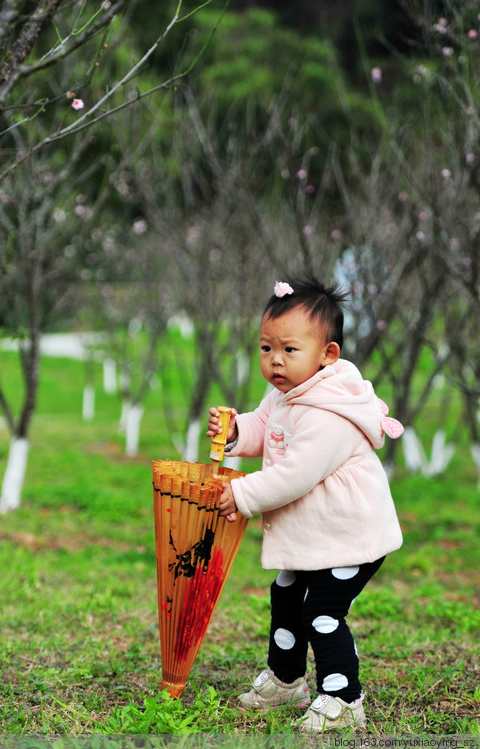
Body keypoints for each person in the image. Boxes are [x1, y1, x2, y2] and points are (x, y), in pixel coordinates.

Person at [206, 275, 404, 734]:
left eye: (289, 350)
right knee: (287, 595)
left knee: (322, 613)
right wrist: (237, 431)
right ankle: (288, 679)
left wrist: (242, 494)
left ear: (326, 355)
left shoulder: (328, 412)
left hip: (352, 535)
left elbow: (294, 475)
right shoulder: (287, 391)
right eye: (265, 348)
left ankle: (343, 697)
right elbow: (266, 425)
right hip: (316, 532)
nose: (275, 360)